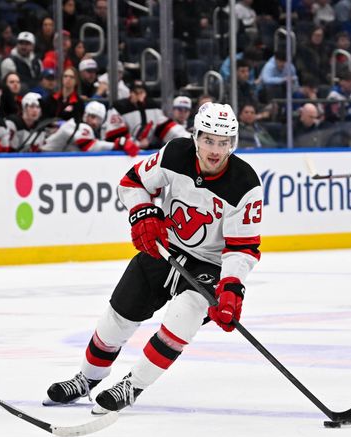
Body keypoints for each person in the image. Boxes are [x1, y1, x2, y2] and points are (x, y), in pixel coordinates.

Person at [43, 103, 263, 414]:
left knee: (183, 316)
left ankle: (131, 385)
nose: (215, 150)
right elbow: (132, 182)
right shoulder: (175, 153)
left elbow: (243, 247)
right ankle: (86, 379)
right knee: (116, 318)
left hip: (209, 266)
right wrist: (143, 213)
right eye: (209, 140)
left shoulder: (246, 184)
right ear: (196, 137)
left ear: (233, 143)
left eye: (223, 142)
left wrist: (230, 288)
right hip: (165, 248)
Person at [42, 100, 139, 155]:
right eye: (92, 117)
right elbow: (92, 147)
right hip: (40, 158)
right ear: (85, 115)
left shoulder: (78, 126)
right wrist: (117, 144)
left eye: (99, 120)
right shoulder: (78, 126)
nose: (94, 122)